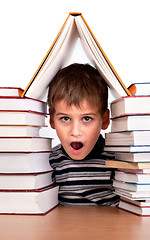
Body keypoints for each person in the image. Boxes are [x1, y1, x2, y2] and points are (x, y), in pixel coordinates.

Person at [47, 63, 119, 206]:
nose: (75, 132)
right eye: (65, 119)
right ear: (52, 119)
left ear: (104, 120)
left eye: (87, 119)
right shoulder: (49, 163)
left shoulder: (117, 162)